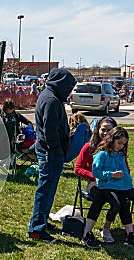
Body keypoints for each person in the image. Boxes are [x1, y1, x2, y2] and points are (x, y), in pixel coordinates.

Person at [28, 68, 76, 243]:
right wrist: (57, 150)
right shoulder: (51, 100)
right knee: (45, 190)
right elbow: (50, 131)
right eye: (69, 87)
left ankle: (41, 221)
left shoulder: (50, 96)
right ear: (60, 84)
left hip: (50, 151)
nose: (70, 91)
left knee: (48, 190)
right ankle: (37, 229)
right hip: (50, 152)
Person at [75, 117, 118, 248]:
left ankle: (107, 228)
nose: (105, 133)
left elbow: (125, 168)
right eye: (102, 129)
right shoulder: (89, 146)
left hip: (113, 183)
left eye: (109, 130)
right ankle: (87, 233)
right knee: (100, 195)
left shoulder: (118, 147)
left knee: (122, 198)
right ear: (97, 129)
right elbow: (77, 169)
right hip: (94, 183)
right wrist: (95, 176)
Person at [92, 127, 134, 246]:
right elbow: (96, 172)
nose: (121, 146)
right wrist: (111, 175)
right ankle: (107, 227)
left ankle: (130, 233)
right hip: (109, 186)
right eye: (119, 143)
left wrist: (128, 183)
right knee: (118, 205)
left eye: (123, 144)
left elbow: (125, 172)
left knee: (124, 204)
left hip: (123, 186)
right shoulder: (102, 154)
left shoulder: (120, 155)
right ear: (112, 139)